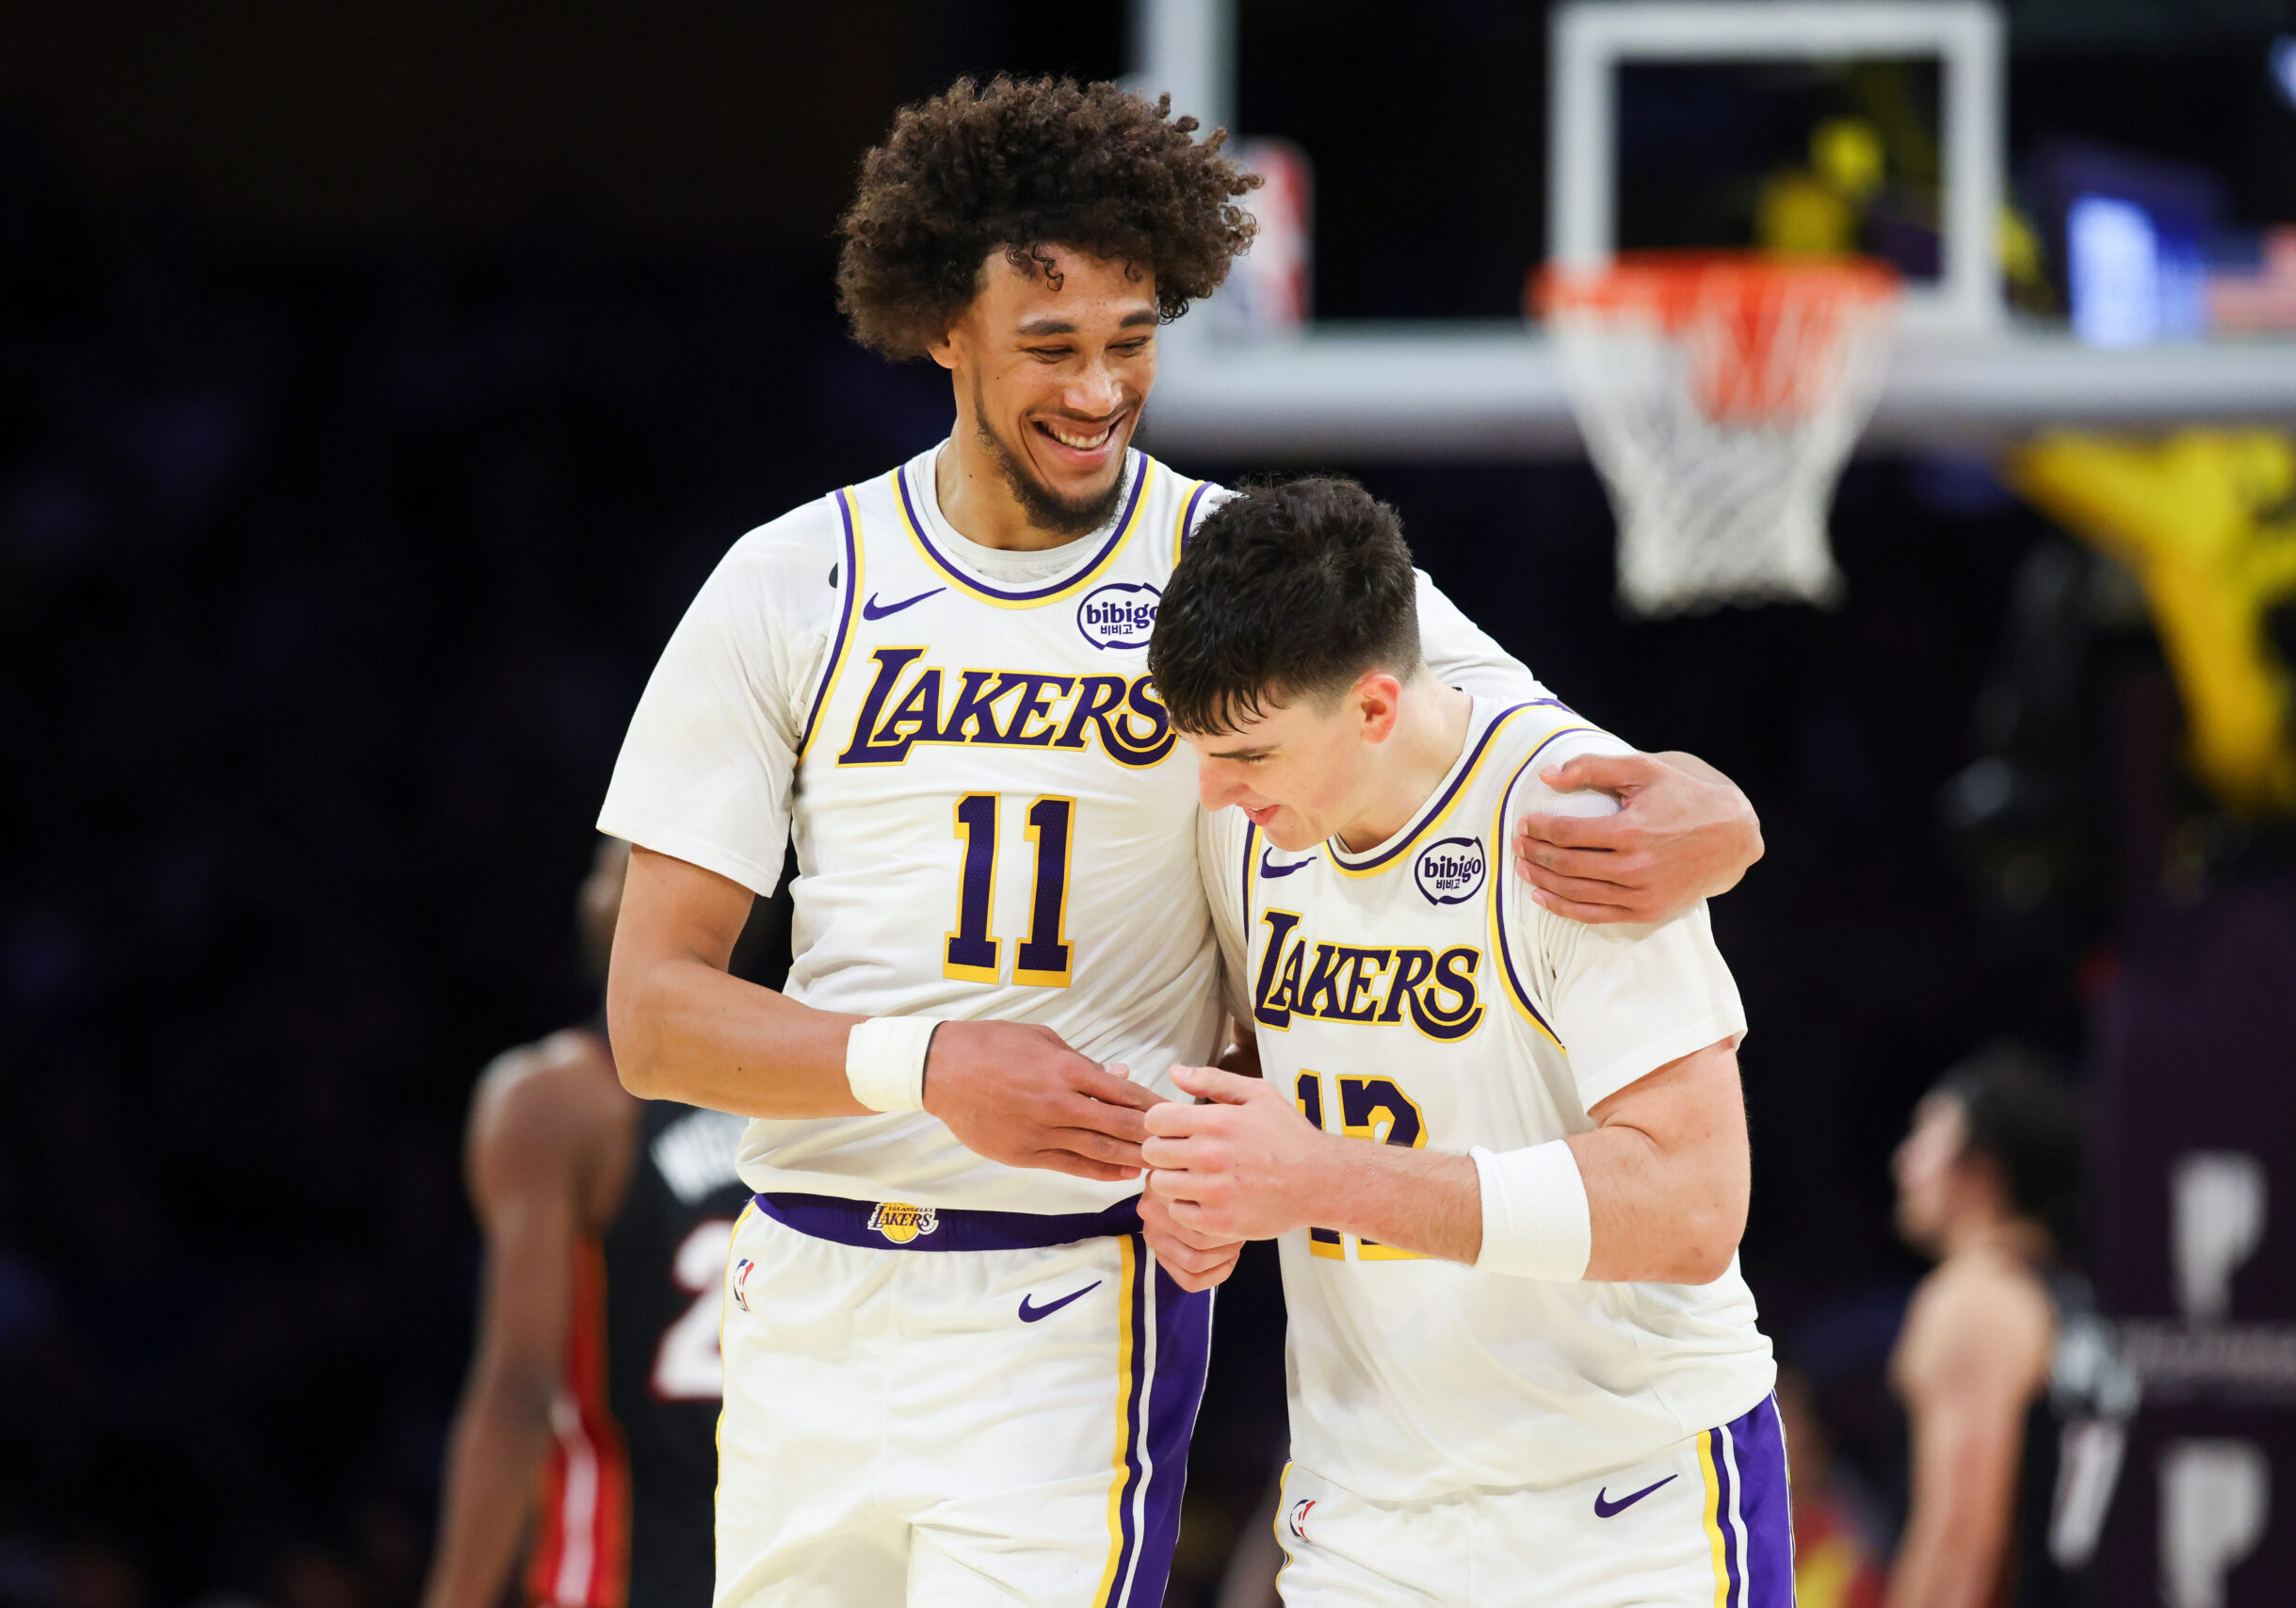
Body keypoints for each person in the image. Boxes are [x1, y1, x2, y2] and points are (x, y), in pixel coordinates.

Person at [599, 76, 1767, 1606]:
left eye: (1131, 342)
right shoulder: (788, 583)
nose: (1097, 388)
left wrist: (1724, 810)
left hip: (1069, 1289)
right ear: (943, 328)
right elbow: (653, 1015)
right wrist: (929, 1063)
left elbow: (1513, 750)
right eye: (1052, 346)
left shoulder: (1239, 579)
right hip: (802, 1276)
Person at [1142, 477, 1788, 1607]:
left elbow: (1693, 1203)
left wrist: (1320, 1178)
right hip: (1367, 1518)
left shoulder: (1577, 826)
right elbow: (1307, 1080)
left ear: (1375, 710)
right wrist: (1204, 1179)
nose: (1211, 787)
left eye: (1245, 754)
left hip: (1625, 1512)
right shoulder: (1251, 819)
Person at [421, 839, 755, 1608]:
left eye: (621, 869)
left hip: (614, 1580)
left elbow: (518, 1390)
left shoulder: (558, 1102)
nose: (597, 892)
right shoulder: (823, 1090)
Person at [1884, 1047, 2121, 1608]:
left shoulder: (1974, 1304)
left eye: (1925, 1138)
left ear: (1980, 1169)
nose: (1904, 1161)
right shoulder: (2067, 1300)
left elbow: (1961, 1545)